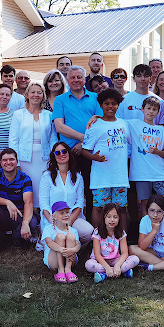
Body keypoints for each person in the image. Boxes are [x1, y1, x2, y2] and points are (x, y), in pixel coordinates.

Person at [53, 65, 103, 218]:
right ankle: (67, 224)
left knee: (90, 189)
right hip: (68, 152)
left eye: (79, 77)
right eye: (72, 77)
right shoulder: (60, 100)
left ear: (84, 79)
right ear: (67, 80)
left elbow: (100, 124)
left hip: (90, 151)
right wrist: (81, 138)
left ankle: (90, 226)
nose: (76, 80)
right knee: (70, 188)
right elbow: (59, 126)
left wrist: (84, 144)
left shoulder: (95, 98)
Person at [82, 88, 130, 228]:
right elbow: (85, 150)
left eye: (114, 103)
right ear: (101, 105)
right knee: (99, 208)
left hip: (120, 176)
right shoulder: (94, 125)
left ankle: (121, 240)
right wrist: (94, 157)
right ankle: (98, 239)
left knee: (121, 209)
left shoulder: (123, 123)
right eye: (106, 103)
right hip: (101, 176)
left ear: (118, 105)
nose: (110, 106)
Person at [0, 148, 38, 258]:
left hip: (18, 215)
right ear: (1, 162)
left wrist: (25, 223)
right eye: (5, 160)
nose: (8, 162)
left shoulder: (25, 179)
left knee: (32, 223)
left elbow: (28, 202)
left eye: (11, 159)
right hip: (1, 215)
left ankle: (17, 237)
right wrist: (7, 202)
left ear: (17, 161)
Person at [124, 96, 164, 217]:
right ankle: (145, 233)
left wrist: (157, 152)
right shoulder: (134, 124)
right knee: (145, 204)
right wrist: (96, 117)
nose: (151, 111)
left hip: (159, 172)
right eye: (148, 108)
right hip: (142, 173)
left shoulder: (160, 130)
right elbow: (114, 120)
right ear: (142, 109)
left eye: (154, 109)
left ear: (158, 112)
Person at [39, 141, 94, 247]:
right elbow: (44, 204)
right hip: (53, 219)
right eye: (57, 153)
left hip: (72, 217)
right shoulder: (47, 176)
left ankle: (75, 244)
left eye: (64, 151)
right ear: (54, 156)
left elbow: (80, 202)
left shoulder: (78, 177)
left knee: (88, 231)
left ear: (69, 153)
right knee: (60, 239)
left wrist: (69, 222)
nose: (61, 154)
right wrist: (55, 223)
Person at [10, 82, 56, 186]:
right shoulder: (18, 114)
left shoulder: (49, 115)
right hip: (24, 158)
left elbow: (53, 139)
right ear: (27, 95)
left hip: (45, 158)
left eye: (39, 92)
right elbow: (13, 140)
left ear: (43, 96)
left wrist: (53, 159)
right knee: (27, 186)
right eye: (33, 92)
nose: (36, 95)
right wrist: (16, 162)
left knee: (44, 186)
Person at [86, 202, 140, 283]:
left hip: (115, 259)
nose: (112, 220)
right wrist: (107, 267)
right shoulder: (97, 232)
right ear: (103, 217)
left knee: (135, 259)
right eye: (109, 217)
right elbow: (97, 254)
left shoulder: (121, 233)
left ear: (119, 219)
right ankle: (120, 272)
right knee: (88, 264)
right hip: (100, 261)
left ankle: (104, 274)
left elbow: (125, 253)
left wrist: (118, 265)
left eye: (115, 217)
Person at [43, 201, 81, 283]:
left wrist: (73, 250)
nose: (65, 215)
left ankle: (68, 269)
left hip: (70, 259)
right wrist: (62, 250)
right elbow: (49, 243)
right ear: (54, 216)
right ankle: (60, 270)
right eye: (61, 213)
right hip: (54, 260)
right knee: (60, 236)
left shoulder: (73, 230)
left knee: (71, 236)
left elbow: (78, 245)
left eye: (67, 212)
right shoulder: (48, 228)